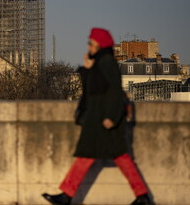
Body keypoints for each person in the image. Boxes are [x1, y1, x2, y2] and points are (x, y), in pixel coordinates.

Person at [42, 28, 154, 205]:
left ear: (99, 44)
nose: (89, 46)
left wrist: (111, 116)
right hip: (98, 119)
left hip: (104, 120)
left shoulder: (107, 61)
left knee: (108, 157)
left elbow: (114, 91)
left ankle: (66, 195)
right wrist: (87, 68)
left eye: (91, 43)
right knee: (111, 157)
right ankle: (142, 196)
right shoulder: (100, 61)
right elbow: (93, 87)